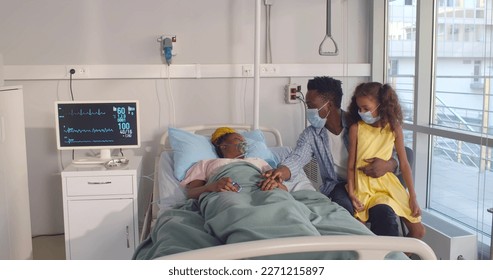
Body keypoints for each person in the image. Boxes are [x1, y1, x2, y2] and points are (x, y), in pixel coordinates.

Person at [261, 76, 402, 236]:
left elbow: (393, 152)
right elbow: (298, 158)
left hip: (371, 184)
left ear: (330, 104)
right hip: (338, 186)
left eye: (311, 106)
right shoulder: (311, 135)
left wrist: (388, 165)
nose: (309, 111)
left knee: (385, 216)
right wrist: (281, 171)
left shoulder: (360, 125)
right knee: (342, 214)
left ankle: (389, 257)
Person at [346, 82, 425, 239]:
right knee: (359, 233)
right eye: (359, 108)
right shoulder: (356, 129)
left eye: (366, 108)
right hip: (364, 187)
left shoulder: (394, 128)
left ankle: (396, 259)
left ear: (381, 106)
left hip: (388, 184)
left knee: (419, 231)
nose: (362, 112)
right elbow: (351, 166)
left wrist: (413, 197)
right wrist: (351, 192)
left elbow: (404, 164)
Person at [182, 127, 287, 200]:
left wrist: (277, 184)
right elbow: (191, 194)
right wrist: (212, 187)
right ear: (223, 146)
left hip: (265, 192)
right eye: (238, 140)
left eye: (244, 141)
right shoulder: (206, 164)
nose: (244, 144)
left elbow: (285, 190)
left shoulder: (258, 161)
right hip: (228, 195)